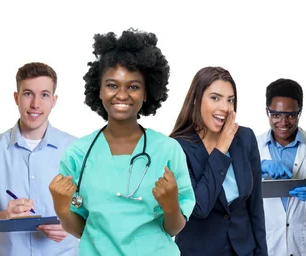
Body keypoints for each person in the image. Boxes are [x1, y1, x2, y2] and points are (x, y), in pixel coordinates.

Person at [49, 29, 196, 255]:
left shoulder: (167, 150)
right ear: (99, 90)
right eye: (112, 85)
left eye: (133, 86)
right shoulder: (78, 153)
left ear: (146, 93)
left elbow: (174, 227)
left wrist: (170, 207)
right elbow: (81, 229)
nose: (122, 94)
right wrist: (61, 210)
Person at [0, 62, 79, 256]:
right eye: (28, 93)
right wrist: (5, 216)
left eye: (44, 95)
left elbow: (91, 209)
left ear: (54, 100)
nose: (35, 104)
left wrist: (72, 224)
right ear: (16, 97)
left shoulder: (75, 150)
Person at [169, 66, 268, 255]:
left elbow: (255, 207)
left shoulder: (245, 138)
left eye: (230, 100)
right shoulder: (177, 146)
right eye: (215, 98)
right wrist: (221, 149)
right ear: (196, 99)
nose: (225, 107)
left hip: (244, 249)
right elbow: (198, 207)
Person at [256, 78, 306, 255]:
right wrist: (259, 167)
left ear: (300, 112)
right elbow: (237, 190)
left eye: (291, 115)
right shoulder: (253, 147)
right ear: (267, 111)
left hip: (304, 246)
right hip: (268, 245)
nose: (283, 122)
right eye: (276, 114)